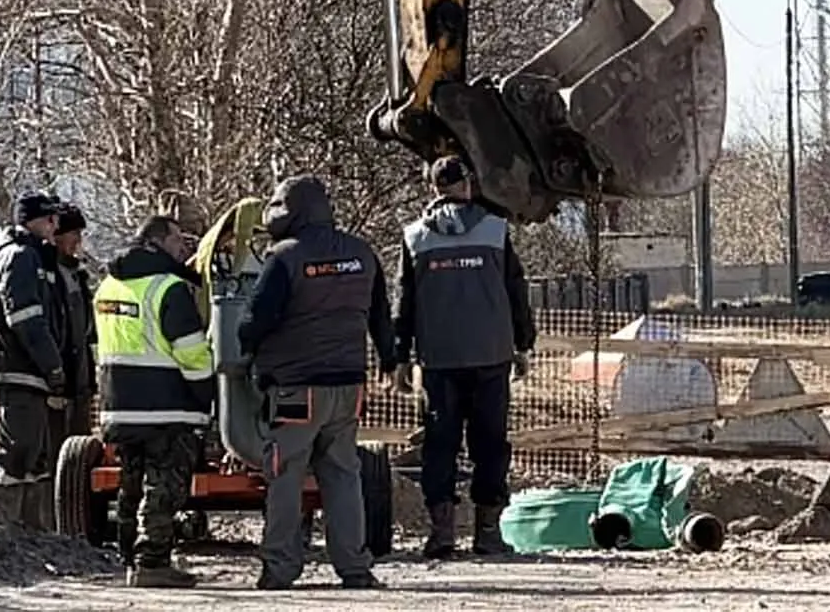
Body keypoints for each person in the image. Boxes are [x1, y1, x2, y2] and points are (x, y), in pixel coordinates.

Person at [238, 173, 398, 592]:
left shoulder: (285, 256)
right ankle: (355, 569)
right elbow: (381, 316)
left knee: (285, 472)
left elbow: (256, 319)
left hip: (295, 387)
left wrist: (246, 350)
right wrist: (390, 358)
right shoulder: (363, 253)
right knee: (343, 473)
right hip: (349, 385)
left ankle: (279, 568)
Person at [393, 155, 535, 558]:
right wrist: (523, 344)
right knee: (490, 444)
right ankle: (487, 534)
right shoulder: (494, 231)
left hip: (438, 359)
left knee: (440, 445)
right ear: (469, 184)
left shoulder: (415, 237)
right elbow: (516, 292)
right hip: (491, 356)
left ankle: (441, 535)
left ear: (432, 188)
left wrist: (401, 356)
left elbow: (403, 302)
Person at [93, 214, 214, 590]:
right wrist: (207, 396)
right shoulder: (168, 289)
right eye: (178, 241)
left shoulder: (107, 286)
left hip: (119, 404)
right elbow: (192, 352)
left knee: (131, 484)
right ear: (159, 242)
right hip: (166, 406)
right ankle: (153, 562)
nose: (184, 249)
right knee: (163, 486)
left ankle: (129, 558)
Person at [0, 189, 68, 530]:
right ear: (37, 221)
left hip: (26, 371)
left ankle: (31, 535)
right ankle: (7, 532)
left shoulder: (31, 256)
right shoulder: (21, 257)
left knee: (33, 456)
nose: (56, 226)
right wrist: (52, 365)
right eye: (51, 219)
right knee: (18, 453)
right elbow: (26, 319)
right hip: (20, 371)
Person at [51, 202, 97, 441]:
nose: (78, 240)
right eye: (74, 234)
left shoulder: (77, 274)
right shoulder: (46, 274)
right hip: (60, 374)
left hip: (80, 374)